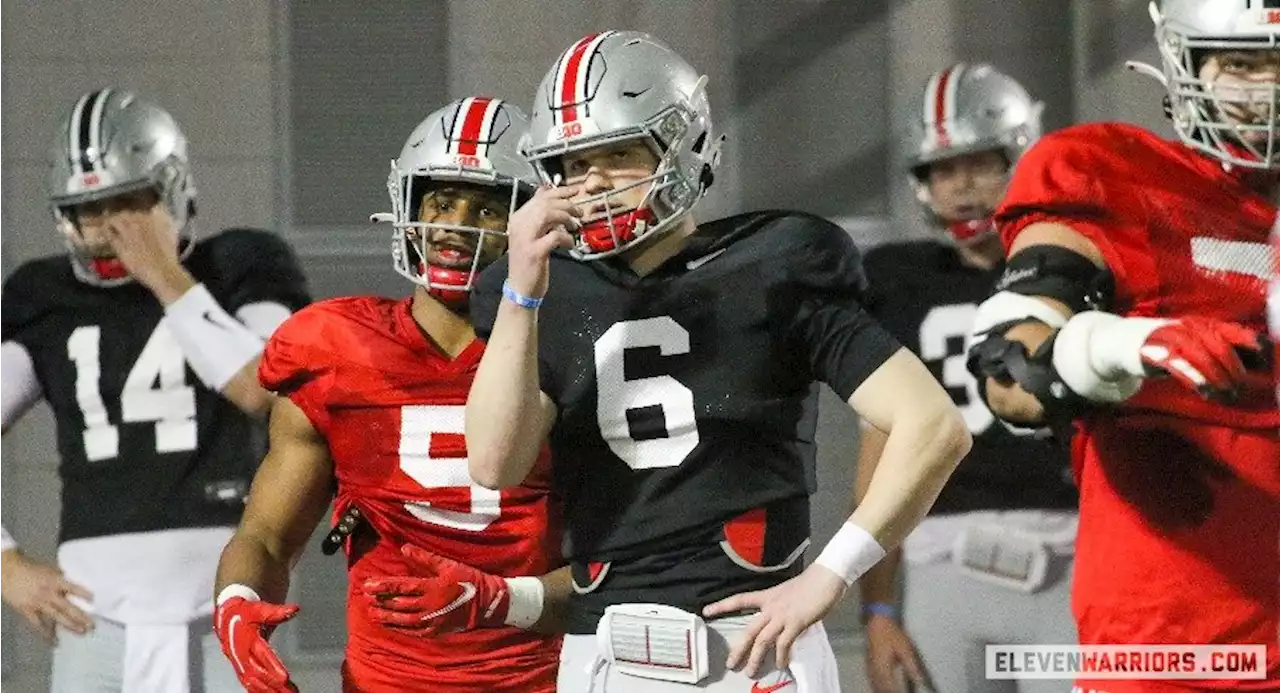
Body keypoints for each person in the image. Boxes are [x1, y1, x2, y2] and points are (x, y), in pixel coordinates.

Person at [453, 31, 971, 692]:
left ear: (683, 145)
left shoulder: (772, 263)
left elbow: (933, 426)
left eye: (619, 154)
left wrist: (831, 574)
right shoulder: (541, 289)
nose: (596, 184)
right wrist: (524, 283)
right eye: (576, 164)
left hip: (748, 649)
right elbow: (495, 462)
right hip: (605, 653)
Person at [964, 2, 1280, 690]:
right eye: (1245, 64)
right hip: (1173, 649)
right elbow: (1010, 370)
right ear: (1187, 63)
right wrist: (1121, 345)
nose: (1270, 89)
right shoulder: (1113, 174)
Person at [212, 97, 565, 693]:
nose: (455, 225)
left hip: (543, 676)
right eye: (442, 200)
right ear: (407, 206)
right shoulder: (336, 347)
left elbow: (614, 571)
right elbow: (267, 535)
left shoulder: (574, 349)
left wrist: (499, 600)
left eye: (485, 207)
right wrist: (237, 605)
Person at [0, 89, 309, 692]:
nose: (109, 230)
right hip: (95, 618)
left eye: (127, 205)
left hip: (227, 605)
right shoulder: (41, 295)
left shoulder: (243, 262)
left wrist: (168, 278)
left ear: (171, 188)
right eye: (88, 211)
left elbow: (263, 389)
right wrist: (6, 565)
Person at [856, 64, 1078, 693]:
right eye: (942, 170)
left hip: (1070, 555)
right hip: (941, 564)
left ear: (1023, 154)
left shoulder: (1078, 268)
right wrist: (876, 609)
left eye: (980, 164)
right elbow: (879, 458)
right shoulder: (897, 280)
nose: (962, 188)